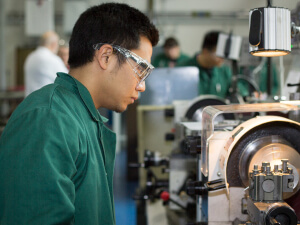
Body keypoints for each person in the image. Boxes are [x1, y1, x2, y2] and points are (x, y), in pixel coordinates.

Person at [0, 3, 159, 225]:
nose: (142, 86)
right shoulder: (48, 120)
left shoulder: (84, 118)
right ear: (106, 56)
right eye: (140, 69)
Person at [178, 31, 247, 99]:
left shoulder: (224, 71)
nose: (223, 58)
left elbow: (240, 91)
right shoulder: (183, 70)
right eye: (219, 54)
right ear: (205, 51)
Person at [24, 31, 68, 96]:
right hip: (45, 103)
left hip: (30, 102)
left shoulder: (30, 57)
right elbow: (68, 81)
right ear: (54, 44)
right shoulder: (53, 59)